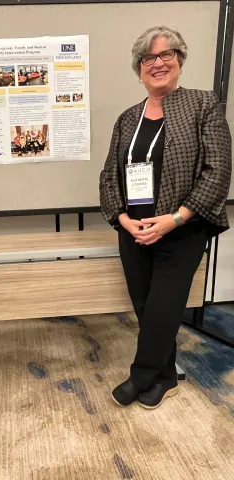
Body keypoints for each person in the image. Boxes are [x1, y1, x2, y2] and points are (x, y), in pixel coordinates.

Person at [100, 26, 232, 409]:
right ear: (139, 68)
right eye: (148, 58)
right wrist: (121, 219)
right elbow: (109, 175)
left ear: (180, 60)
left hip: (181, 230)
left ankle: (140, 375)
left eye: (166, 54)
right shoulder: (128, 119)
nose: (157, 63)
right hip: (134, 231)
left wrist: (175, 218)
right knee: (147, 308)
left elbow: (218, 170)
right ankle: (165, 376)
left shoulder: (203, 105)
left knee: (163, 308)